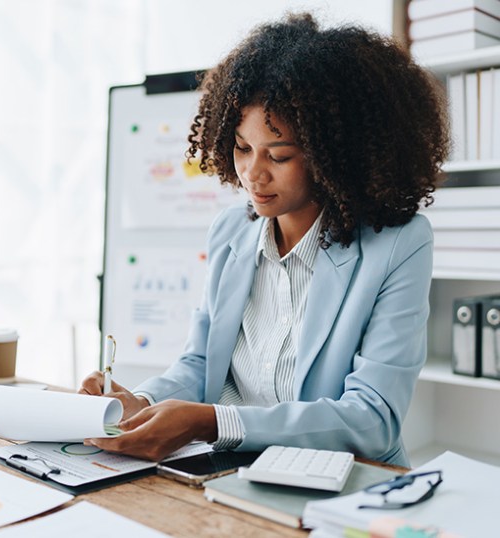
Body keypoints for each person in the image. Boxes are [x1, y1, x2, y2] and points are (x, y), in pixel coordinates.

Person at [79, 13, 449, 467]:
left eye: (280, 155)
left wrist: (211, 422)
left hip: (344, 481)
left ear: (335, 155)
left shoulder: (397, 246)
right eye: (241, 147)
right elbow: (199, 363)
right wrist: (139, 401)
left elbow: (372, 421)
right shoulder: (231, 232)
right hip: (230, 472)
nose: (253, 173)